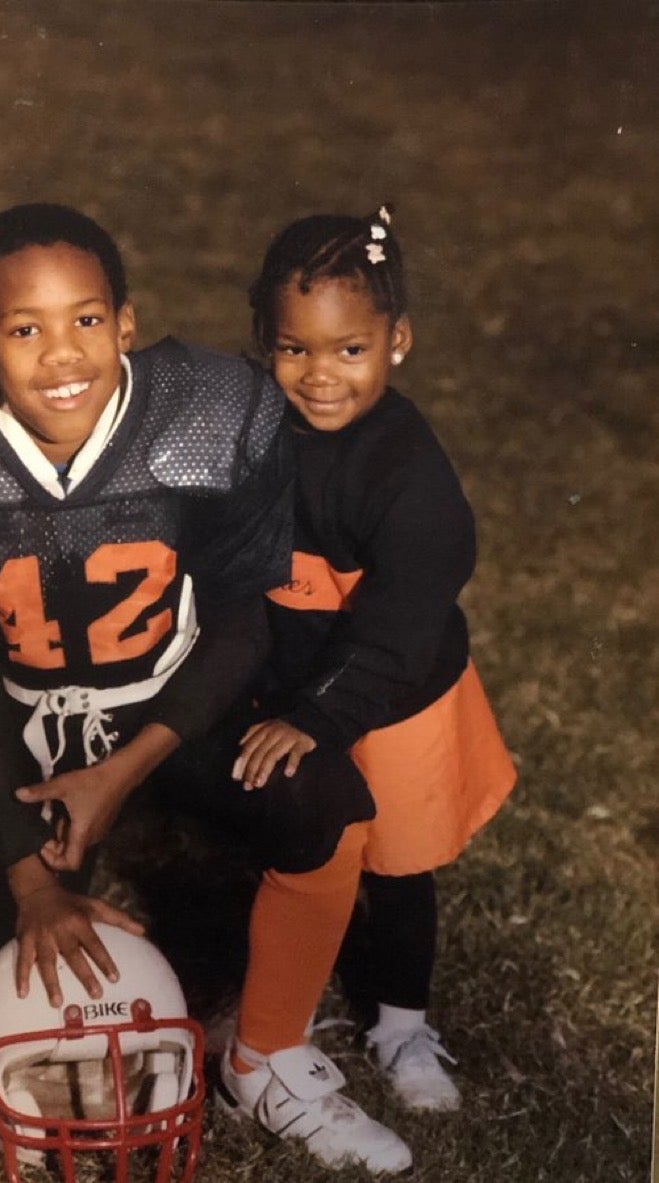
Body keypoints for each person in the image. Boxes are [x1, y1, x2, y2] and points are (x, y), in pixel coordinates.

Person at [0, 203, 412, 1176]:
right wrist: (24, 876)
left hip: (175, 699)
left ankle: (269, 1051)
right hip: (20, 715)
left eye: (87, 320)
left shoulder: (211, 413)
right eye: (25, 329)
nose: (63, 354)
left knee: (326, 803)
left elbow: (240, 617)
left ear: (127, 324)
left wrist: (128, 767)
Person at [233, 208, 517, 1113]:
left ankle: (400, 1021)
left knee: (395, 866)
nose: (319, 376)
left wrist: (317, 717)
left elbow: (397, 630)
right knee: (297, 838)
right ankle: (279, 998)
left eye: (348, 350)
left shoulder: (408, 477)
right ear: (263, 344)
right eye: (292, 350)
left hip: (392, 690)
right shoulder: (251, 423)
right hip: (291, 672)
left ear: (397, 342)